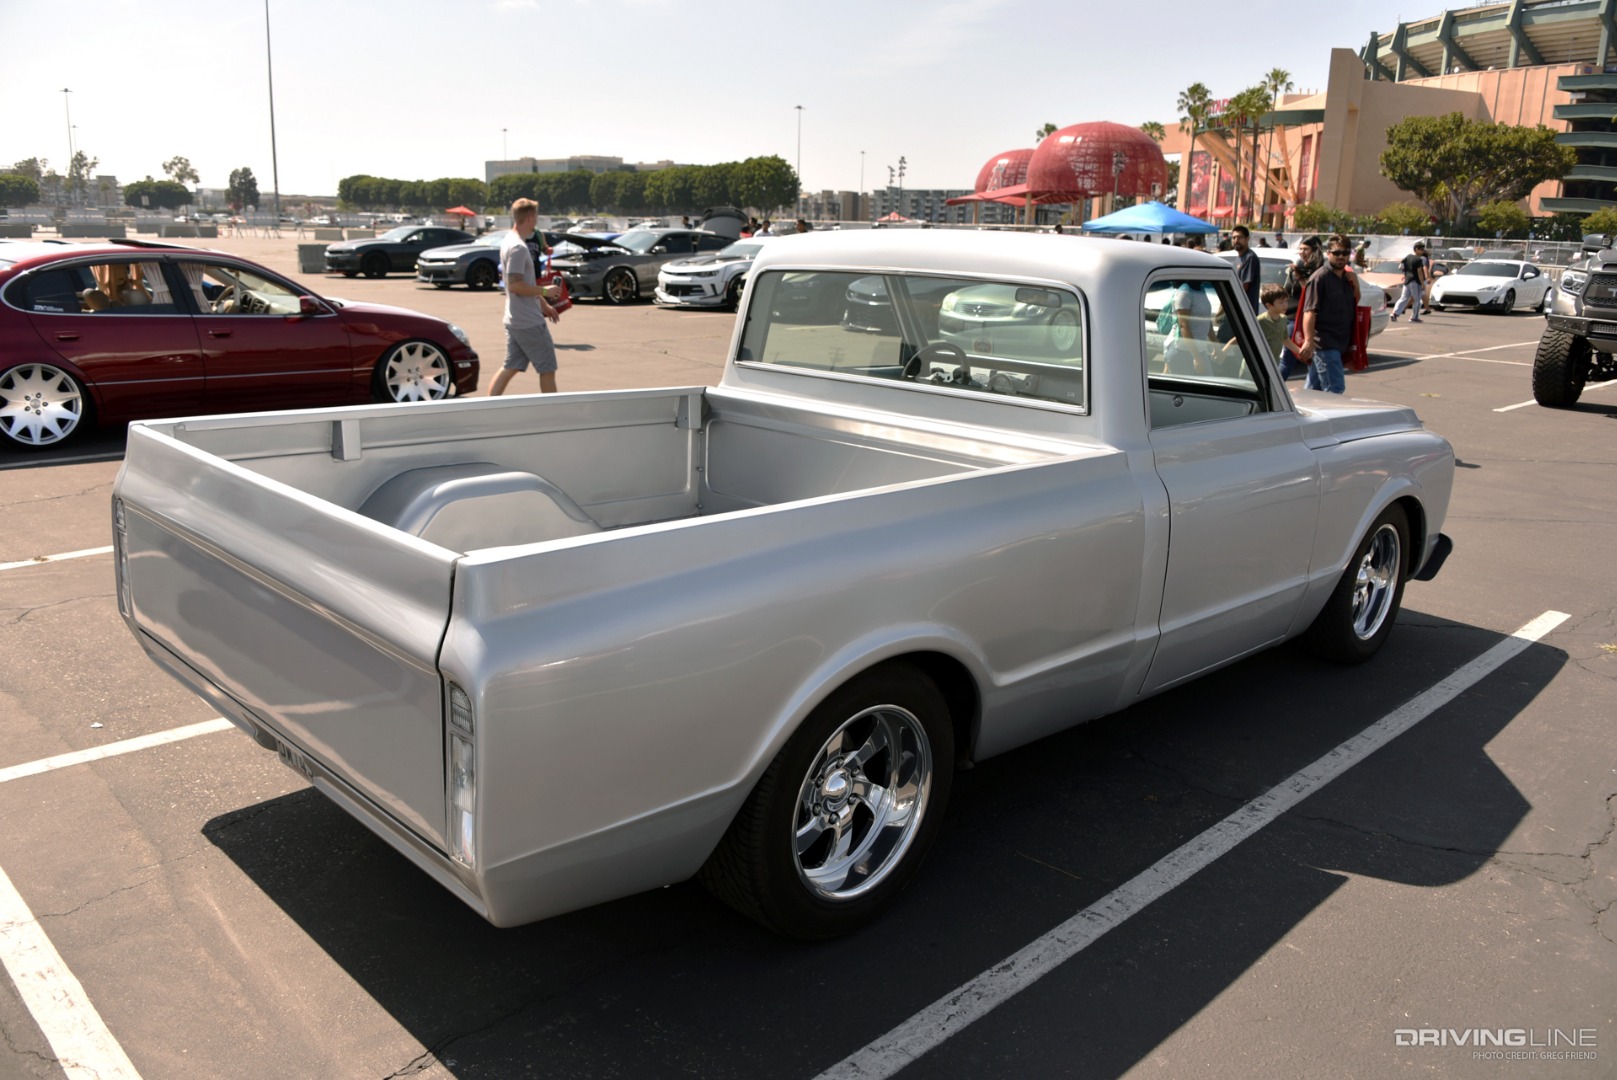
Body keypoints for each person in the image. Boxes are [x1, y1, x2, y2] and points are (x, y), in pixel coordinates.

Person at [489, 198, 562, 397]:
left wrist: (543, 303)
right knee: (547, 369)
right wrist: (545, 291)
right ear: (530, 218)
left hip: (515, 318)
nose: (537, 219)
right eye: (536, 215)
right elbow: (515, 285)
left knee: (510, 367)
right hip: (528, 321)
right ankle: (554, 415)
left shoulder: (509, 241)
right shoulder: (519, 248)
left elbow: (522, 283)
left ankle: (487, 407)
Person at [1297, 233, 1360, 394]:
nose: (1341, 257)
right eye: (1336, 253)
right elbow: (1309, 311)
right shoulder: (1320, 278)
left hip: (1339, 342)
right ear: (1328, 253)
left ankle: (1298, 416)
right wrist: (1308, 340)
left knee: (1312, 391)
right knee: (1335, 390)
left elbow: (1355, 302)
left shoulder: (1347, 277)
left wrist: (1356, 284)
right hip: (1324, 343)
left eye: (1345, 253)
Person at [1164, 280, 1214, 376]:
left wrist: (1216, 346)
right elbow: (1184, 326)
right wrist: (1196, 357)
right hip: (1182, 352)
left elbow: (1207, 320)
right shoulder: (1184, 293)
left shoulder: (1201, 290)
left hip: (1200, 350)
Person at [1389, 241, 1429, 323]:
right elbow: (1420, 272)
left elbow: (1401, 266)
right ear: (1416, 249)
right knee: (1417, 299)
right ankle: (1414, 317)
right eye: (1421, 249)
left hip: (1407, 281)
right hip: (1415, 282)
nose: (1422, 251)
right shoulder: (1418, 260)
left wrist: (1406, 274)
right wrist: (1422, 284)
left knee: (1403, 298)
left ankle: (1394, 313)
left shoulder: (1408, 257)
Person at [1231, 225, 1261, 311]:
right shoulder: (1238, 259)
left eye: (1240, 237)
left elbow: (1244, 286)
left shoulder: (1250, 258)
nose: (1236, 240)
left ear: (1247, 239)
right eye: (1234, 238)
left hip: (1245, 311)